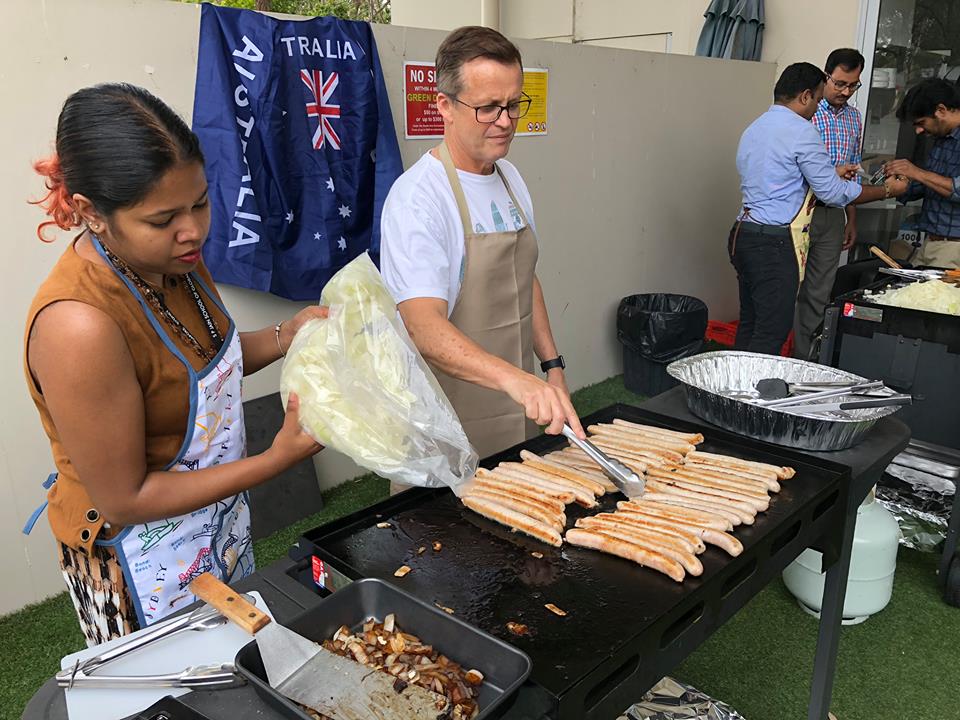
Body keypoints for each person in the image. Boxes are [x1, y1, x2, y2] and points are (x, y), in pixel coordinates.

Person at [24, 84, 326, 645]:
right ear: (92, 213)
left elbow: (205, 365)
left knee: (235, 667)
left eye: (201, 202)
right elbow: (126, 498)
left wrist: (290, 334)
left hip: (211, 519)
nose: (194, 231)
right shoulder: (79, 325)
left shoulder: (175, 259)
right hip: (135, 555)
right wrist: (277, 458)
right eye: (163, 218)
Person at [380, 26, 583, 465]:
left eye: (512, 105)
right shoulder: (419, 198)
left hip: (517, 406)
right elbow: (424, 328)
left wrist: (551, 369)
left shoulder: (510, 179)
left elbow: (525, 279)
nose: (506, 121)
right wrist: (517, 380)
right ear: (445, 107)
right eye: (488, 107)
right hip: (447, 420)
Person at [731, 62, 908, 356]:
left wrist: (830, 172)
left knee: (751, 324)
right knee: (771, 332)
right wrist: (888, 190)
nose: (817, 106)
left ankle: (725, 393)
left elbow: (779, 177)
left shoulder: (755, 127)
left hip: (743, 234)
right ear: (805, 96)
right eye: (817, 98)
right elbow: (834, 194)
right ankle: (753, 399)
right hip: (774, 242)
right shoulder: (802, 131)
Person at [793, 48, 866, 360]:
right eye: (840, 84)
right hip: (800, 212)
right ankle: (773, 357)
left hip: (834, 215)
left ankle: (804, 360)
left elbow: (853, 169)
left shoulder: (854, 118)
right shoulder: (806, 111)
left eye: (853, 85)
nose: (845, 91)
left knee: (819, 292)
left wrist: (851, 218)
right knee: (789, 286)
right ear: (826, 77)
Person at [884, 79, 960, 268]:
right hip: (930, 243)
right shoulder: (942, 137)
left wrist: (916, 172)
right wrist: (900, 182)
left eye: (921, 123)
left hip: (953, 248)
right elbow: (929, 185)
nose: (918, 130)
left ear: (941, 110)